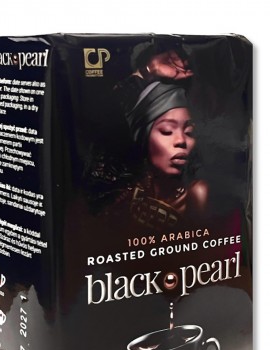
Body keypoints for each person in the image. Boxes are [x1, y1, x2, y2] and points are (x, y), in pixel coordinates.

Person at [85, 49, 208, 230]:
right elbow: (96, 123)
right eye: (167, 131)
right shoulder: (126, 185)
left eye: (189, 132)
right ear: (143, 136)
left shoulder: (197, 192)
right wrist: (147, 71)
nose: (181, 140)